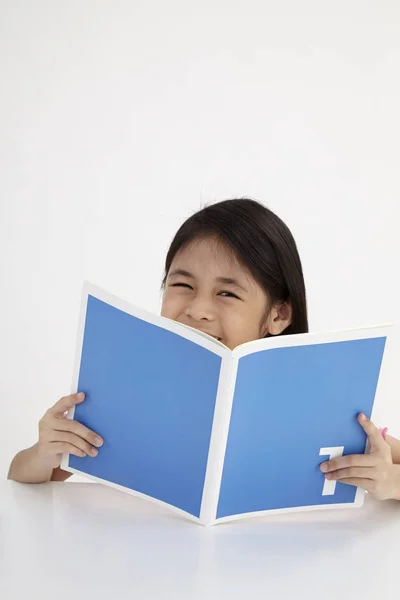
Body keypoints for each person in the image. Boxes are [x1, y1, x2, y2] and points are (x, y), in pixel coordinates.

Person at [8, 198, 400, 500]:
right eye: (182, 286)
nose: (197, 310)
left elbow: (388, 465)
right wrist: (45, 451)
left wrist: (389, 481)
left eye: (227, 293)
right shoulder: (127, 397)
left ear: (278, 315)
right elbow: (21, 477)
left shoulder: (318, 408)